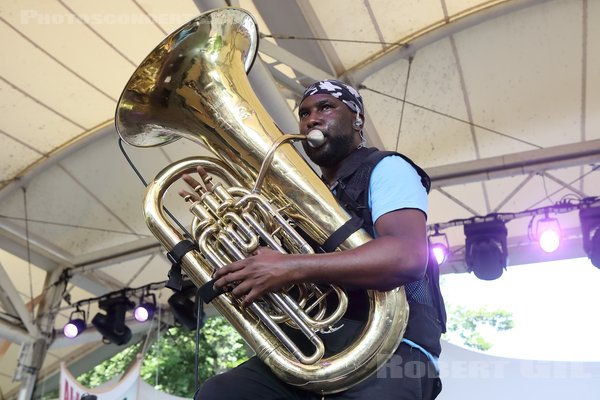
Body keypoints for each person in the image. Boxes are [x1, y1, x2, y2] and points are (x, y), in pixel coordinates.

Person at [185, 79, 444, 399]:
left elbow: (406, 257)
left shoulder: (387, 168)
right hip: (315, 347)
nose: (312, 119)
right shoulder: (298, 200)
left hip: (393, 348)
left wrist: (290, 266)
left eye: (326, 107)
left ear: (357, 118)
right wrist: (229, 231)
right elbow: (289, 279)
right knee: (221, 393)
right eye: (304, 112)